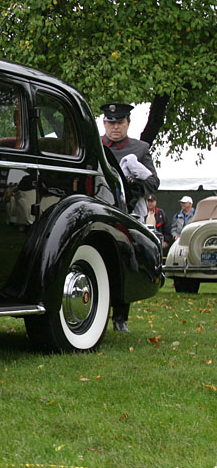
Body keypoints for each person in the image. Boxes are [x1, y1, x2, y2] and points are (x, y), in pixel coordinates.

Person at [100, 102, 160, 332]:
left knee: (125, 263)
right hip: (100, 207)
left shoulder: (140, 148)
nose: (115, 127)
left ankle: (120, 318)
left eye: (120, 123)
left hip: (129, 212)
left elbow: (153, 182)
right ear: (104, 123)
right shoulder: (95, 145)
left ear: (127, 124)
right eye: (111, 122)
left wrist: (136, 183)